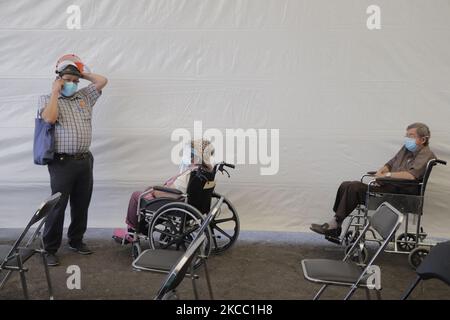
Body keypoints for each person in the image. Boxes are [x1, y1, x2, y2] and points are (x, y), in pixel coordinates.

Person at [37, 54, 108, 266]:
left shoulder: (84, 97)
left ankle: (76, 241)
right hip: (61, 162)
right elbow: (49, 118)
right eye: (68, 80)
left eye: (75, 81)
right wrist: (55, 92)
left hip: (85, 160)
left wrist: (80, 72)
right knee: (57, 206)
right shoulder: (47, 99)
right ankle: (49, 248)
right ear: (58, 79)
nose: (72, 84)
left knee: (81, 203)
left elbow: (102, 81)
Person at [310, 122, 436, 239]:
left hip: (401, 195)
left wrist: (386, 176)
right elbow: (390, 163)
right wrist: (380, 172)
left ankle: (334, 226)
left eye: (411, 135)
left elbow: (411, 176)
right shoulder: (406, 149)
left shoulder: (426, 154)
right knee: (346, 185)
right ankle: (335, 223)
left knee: (354, 187)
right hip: (388, 188)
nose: (407, 138)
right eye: (406, 135)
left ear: (423, 139)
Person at [125, 139, 215, 230]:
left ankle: (133, 228)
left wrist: (154, 192)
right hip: (196, 205)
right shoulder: (206, 173)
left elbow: (175, 193)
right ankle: (144, 226)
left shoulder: (191, 174)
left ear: (195, 157)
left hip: (175, 204)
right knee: (148, 189)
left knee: (136, 195)